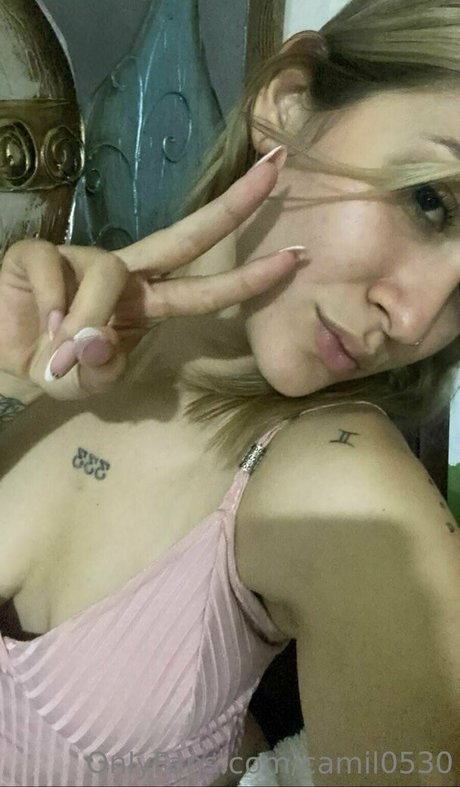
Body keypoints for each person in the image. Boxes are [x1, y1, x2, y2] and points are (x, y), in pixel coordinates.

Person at [1, 0, 460, 784]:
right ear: (289, 102)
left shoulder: (350, 490)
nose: (417, 317)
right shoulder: (51, 330)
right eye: (430, 200)